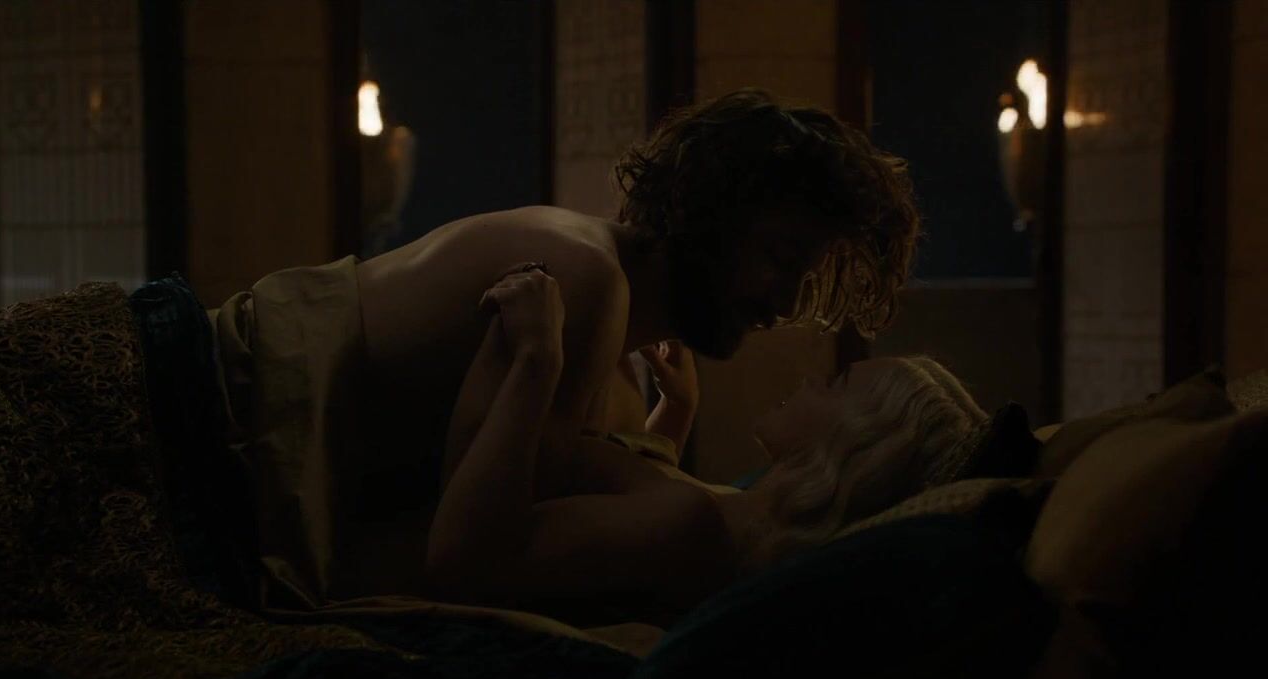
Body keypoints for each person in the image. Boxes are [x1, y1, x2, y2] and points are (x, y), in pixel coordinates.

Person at [202, 87, 920, 606]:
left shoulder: (610, 343)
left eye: (802, 278)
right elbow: (469, 547)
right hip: (202, 394)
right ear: (715, 215)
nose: (786, 304)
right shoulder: (583, 282)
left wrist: (664, 428)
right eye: (779, 259)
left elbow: (535, 514)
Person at [427, 265, 986, 615]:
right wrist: (675, 414)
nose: (811, 381)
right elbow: (618, 516)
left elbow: (466, 563)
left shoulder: (692, 525)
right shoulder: (732, 516)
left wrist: (536, 360)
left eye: (835, 385)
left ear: (852, 448)